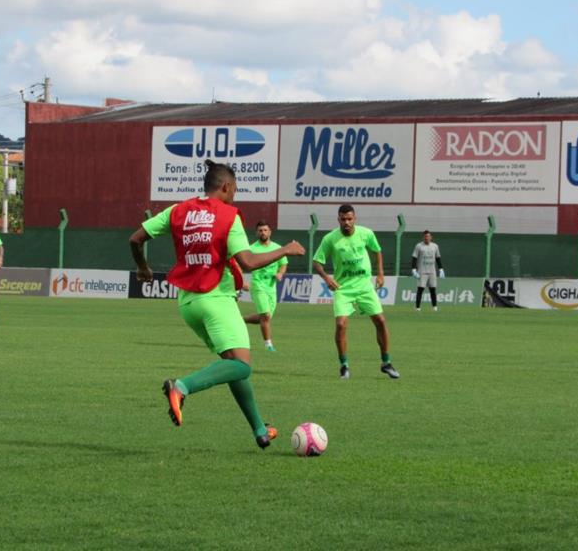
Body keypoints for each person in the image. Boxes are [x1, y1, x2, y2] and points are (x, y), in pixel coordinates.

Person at [129, 160, 305, 449]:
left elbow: (135, 239)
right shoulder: (228, 216)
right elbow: (247, 262)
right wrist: (285, 250)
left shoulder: (178, 210)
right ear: (226, 186)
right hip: (216, 299)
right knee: (242, 367)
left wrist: (144, 269)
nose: (235, 194)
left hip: (188, 304)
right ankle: (182, 387)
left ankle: (260, 430)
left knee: (231, 364)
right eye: (234, 189)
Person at [312, 204, 399, 380]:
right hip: (343, 288)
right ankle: (344, 365)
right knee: (341, 324)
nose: (347, 222)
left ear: (355, 219)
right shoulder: (330, 239)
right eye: (343, 219)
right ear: (338, 220)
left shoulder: (366, 233)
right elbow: (316, 262)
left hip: (364, 286)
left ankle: (386, 363)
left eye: (350, 219)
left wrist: (380, 273)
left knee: (380, 321)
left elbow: (377, 251)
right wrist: (327, 278)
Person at [242, 220, 288, 352]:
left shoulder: (278, 248)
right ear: (257, 232)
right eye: (260, 230)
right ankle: (268, 345)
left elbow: (283, 263)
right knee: (266, 316)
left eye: (265, 230)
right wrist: (242, 282)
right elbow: (239, 265)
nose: (263, 232)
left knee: (264, 317)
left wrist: (280, 273)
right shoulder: (251, 249)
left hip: (271, 287)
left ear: (270, 232)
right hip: (258, 285)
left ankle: (240, 320)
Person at [411, 230, 445, 311]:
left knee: (433, 289)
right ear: (423, 237)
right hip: (422, 271)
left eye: (428, 236)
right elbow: (414, 258)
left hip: (432, 271)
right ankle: (417, 308)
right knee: (420, 289)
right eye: (425, 236)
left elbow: (438, 258)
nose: (427, 238)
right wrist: (414, 269)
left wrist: (441, 269)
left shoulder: (435, 246)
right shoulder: (419, 246)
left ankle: (434, 307)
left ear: (431, 237)